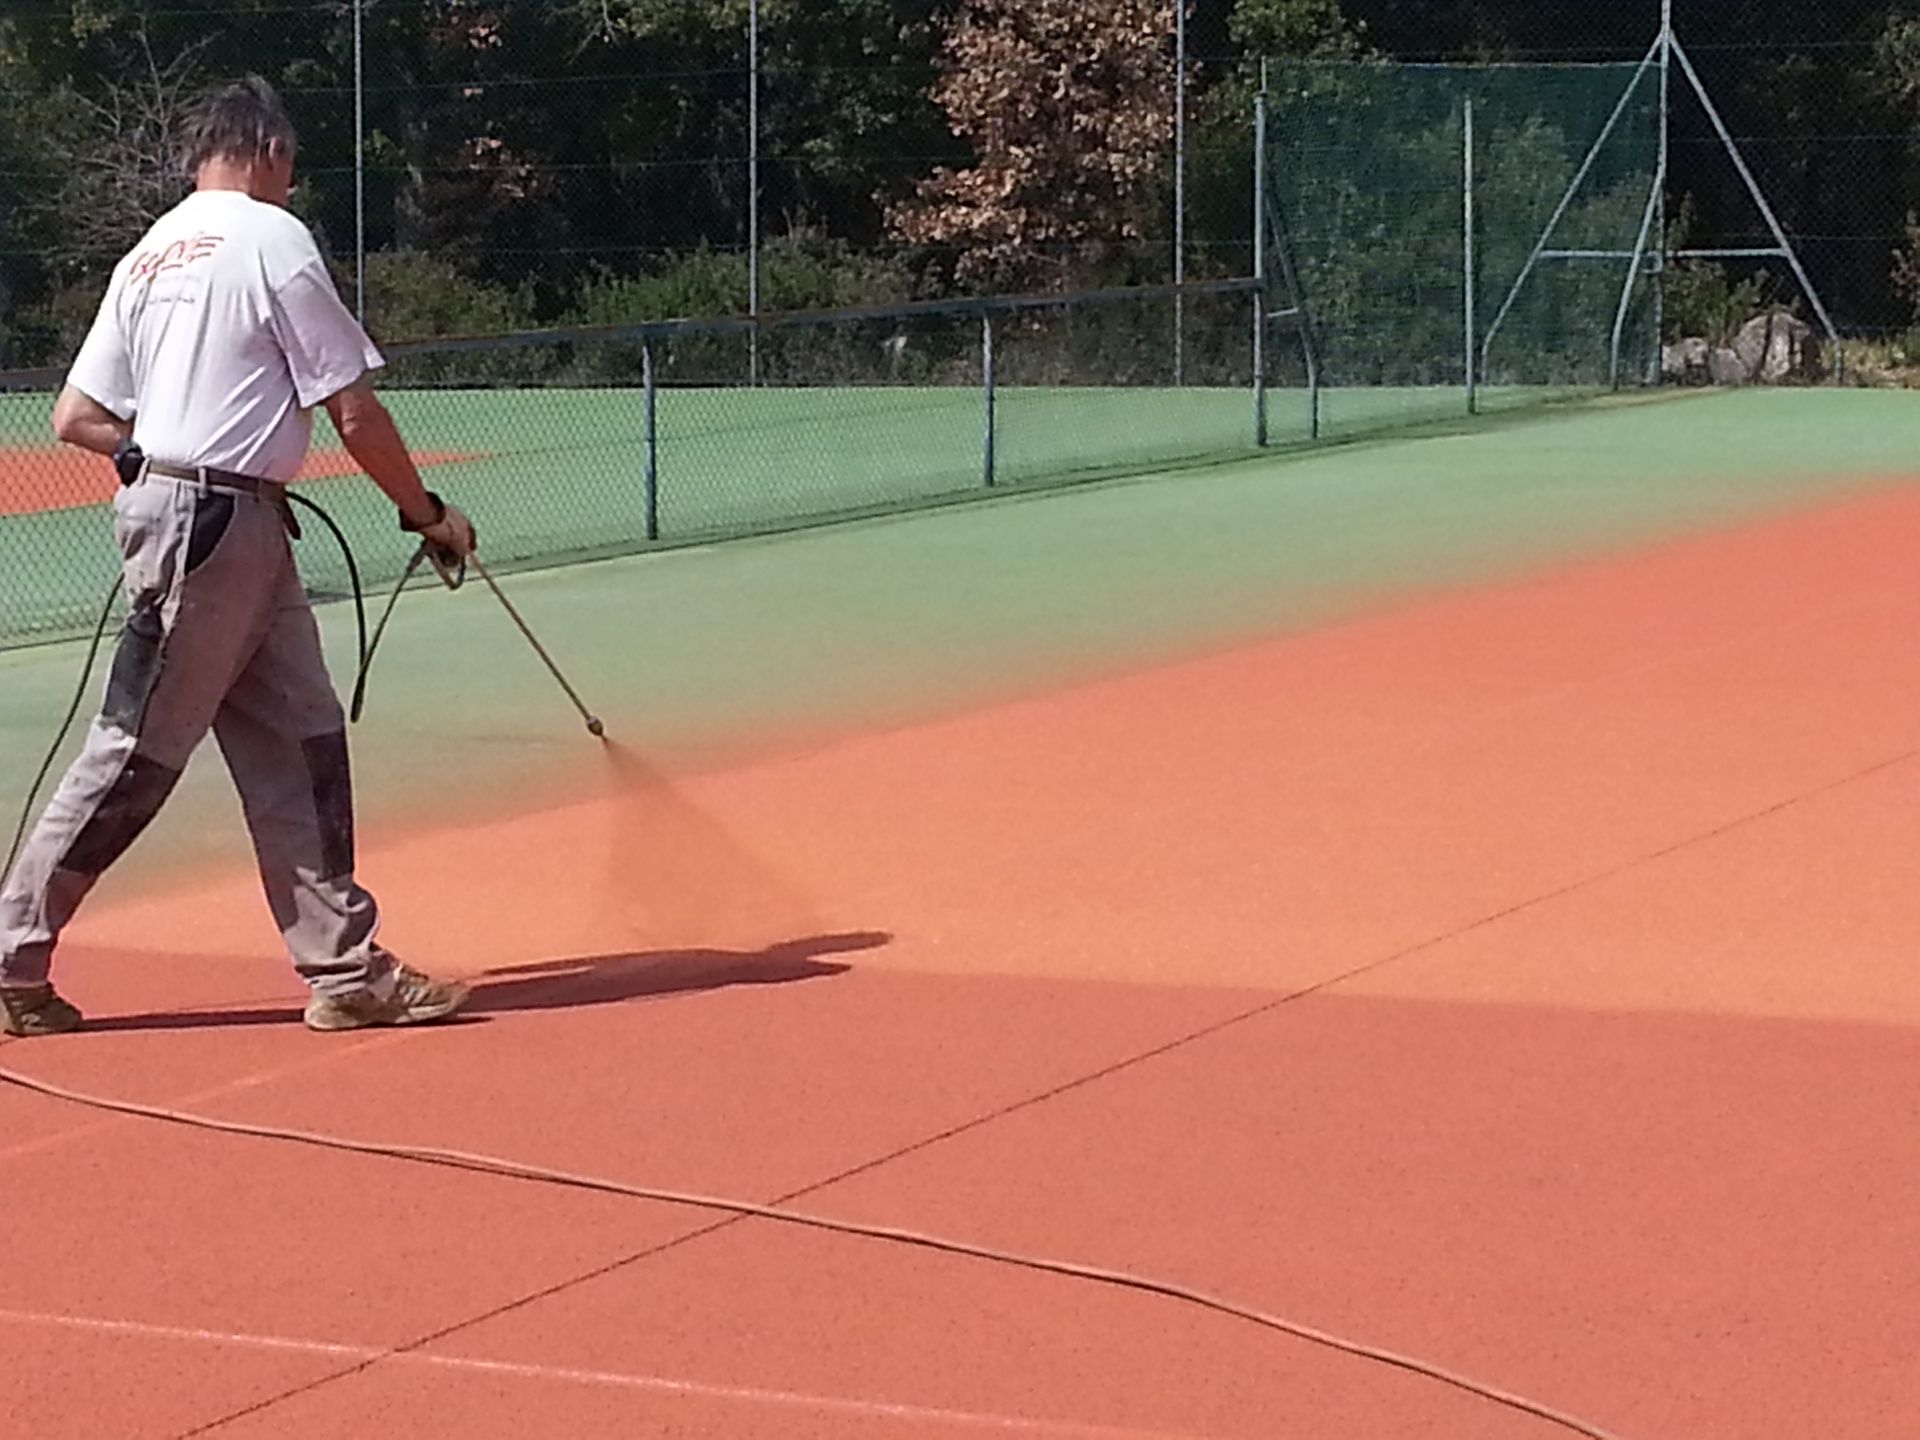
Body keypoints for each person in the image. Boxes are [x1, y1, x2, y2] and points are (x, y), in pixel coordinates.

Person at [0, 77, 475, 1037]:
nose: (292, 188)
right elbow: (352, 410)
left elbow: (75, 417)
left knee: (302, 735)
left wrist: (149, 452)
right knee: (136, 753)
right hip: (214, 527)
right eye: (291, 168)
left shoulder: (146, 255)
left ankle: (344, 970)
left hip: (226, 524)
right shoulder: (270, 237)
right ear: (265, 151)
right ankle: (11, 954)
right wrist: (426, 514)